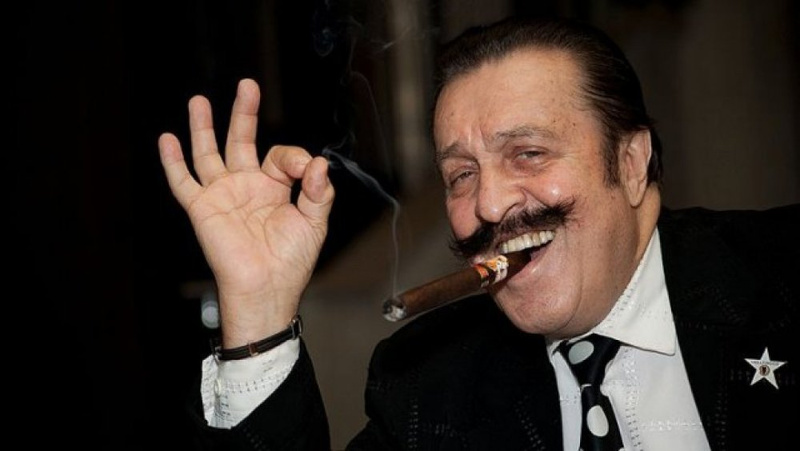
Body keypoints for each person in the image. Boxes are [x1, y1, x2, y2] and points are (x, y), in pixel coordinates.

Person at [157, 15, 798, 450]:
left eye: (528, 154)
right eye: (461, 175)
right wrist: (260, 310)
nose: (488, 205)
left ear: (630, 164)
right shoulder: (426, 383)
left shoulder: (785, 278)